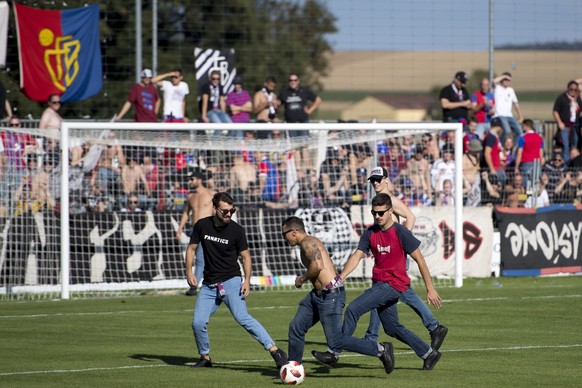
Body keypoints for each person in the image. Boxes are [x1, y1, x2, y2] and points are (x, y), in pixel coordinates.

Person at [312, 193, 443, 371]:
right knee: (392, 328)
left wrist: (430, 288)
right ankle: (428, 353)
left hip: (393, 285)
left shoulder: (401, 232)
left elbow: (420, 259)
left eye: (381, 213)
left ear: (390, 211)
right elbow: (357, 255)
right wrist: (340, 277)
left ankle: (334, 353)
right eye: (375, 213)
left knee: (353, 310)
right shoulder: (370, 232)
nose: (378, 216)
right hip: (380, 285)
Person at [185, 192, 287, 368]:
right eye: (225, 211)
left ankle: (275, 350)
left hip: (231, 281)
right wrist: (189, 271)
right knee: (198, 322)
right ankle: (205, 357)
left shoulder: (237, 230)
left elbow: (246, 257)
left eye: (231, 211)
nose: (228, 214)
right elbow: (191, 248)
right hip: (209, 285)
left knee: (242, 317)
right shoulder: (202, 226)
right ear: (215, 209)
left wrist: (246, 281)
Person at [364, 167, 447, 350]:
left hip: (395, 256)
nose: (375, 183)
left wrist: (401, 241)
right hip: (387, 255)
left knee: (386, 293)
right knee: (389, 294)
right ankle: (433, 327)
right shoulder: (381, 201)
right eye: (373, 180)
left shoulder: (391, 200)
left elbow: (410, 216)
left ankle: (433, 327)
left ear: (386, 179)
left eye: (378, 179)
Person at [177, 170, 217, 296]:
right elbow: (186, 213)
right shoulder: (190, 196)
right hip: (195, 229)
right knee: (198, 258)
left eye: (192, 179)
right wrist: (180, 228)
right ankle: (196, 285)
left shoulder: (212, 194)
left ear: (200, 180)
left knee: (204, 259)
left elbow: (219, 211)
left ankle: (196, 285)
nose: (190, 181)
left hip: (209, 229)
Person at [552, 80, 581, 163]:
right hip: (565, 126)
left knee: (574, 146)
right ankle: (566, 164)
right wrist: (559, 122)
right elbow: (555, 111)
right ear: (568, 89)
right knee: (565, 146)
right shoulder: (562, 98)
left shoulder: (577, 99)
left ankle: (574, 164)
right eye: (571, 89)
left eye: (575, 90)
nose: (573, 91)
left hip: (575, 126)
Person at [493, 72, 524, 144]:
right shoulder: (497, 88)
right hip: (499, 115)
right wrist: (504, 76)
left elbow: (515, 103)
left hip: (509, 115)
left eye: (508, 80)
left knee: (519, 131)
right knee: (507, 130)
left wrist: (520, 115)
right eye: (505, 79)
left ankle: (512, 147)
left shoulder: (511, 90)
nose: (507, 81)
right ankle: (500, 145)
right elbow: (494, 81)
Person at [514, 119, 544, 191]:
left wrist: (516, 166)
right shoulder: (539, 138)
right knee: (536, 183)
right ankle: (534, 199)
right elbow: (541, 152)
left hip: (526, 162)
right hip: (537, 163)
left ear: (525, 126)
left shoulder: (522, 137)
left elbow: (519, 153)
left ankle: (525, 200)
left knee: (525, 185)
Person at [483, 117, 507, 188]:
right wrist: (492, 168)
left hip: (497, 167)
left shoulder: (494, 136)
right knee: (496, 189)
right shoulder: (491, 137)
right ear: (499, 127)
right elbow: (487, 153)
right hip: (494, 169)